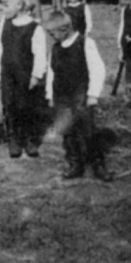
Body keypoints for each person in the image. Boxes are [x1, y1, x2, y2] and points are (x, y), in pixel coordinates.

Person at [44, 11, 111, 181]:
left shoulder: (85, 43)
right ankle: (75, 164)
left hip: (81, 95)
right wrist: (50, 95)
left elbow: (97, 69)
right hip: (61, 97)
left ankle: (98, 164)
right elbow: (51, 73)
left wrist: (93, 94)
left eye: (53, 34)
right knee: (68, 132)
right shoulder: (55, 48)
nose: (51, 37)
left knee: (87, 130)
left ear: (65, 30)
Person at [0, 0, 48, 159]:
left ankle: (29, 139)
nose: (3, 9)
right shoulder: (4, 24)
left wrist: (36, 75)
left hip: (25, 74)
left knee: (26, 106)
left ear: (19, 6)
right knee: (9, 105)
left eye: (6, 5)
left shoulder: (34, 27)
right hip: (8, 73)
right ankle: (13, 138)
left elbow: (40, 54)